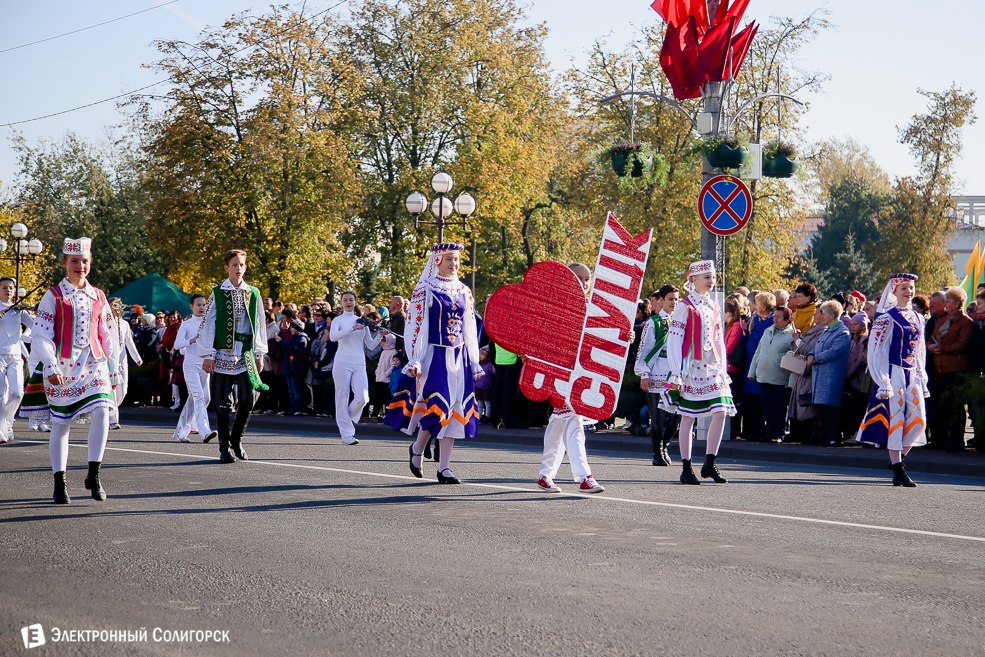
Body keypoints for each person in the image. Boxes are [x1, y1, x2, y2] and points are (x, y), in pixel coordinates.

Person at [23, 237, 120, 504]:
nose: (80, 266)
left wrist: (113, 366)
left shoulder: (98, 295)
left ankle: (94, 474)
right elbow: (41, 335)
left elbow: (107, 332)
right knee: (61, 424)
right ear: (65, 263)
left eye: (85, 261)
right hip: (62, 367)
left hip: (93, 363)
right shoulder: (53, 295)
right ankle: (59, 482)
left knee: (102, 411)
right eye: (75, 261)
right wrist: (51, 365)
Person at [385, 243, 482, 484]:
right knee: (439, 406)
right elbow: (416, 326)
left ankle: (444, 468)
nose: (454, 263)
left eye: (457, 259)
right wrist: (415, 357)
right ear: (437, 260)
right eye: (449, 258)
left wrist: (474, 359)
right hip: (434, 356)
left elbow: (469, 327)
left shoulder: (464, 290)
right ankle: (418, 448)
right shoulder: (425, 288)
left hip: (458, 357)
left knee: (456, 409)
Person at [537, 262, 605, 494]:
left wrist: (625, 336)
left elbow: (600, 340)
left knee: (559, 421)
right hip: (559, 372)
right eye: (579, 277)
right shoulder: (555, 307)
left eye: (587, 279)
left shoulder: (592, 308)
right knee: (573, 420)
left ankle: (545, 475)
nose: (584, 283)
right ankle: (585, 477)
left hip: (582, 373)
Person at [665, 260, 735, 485]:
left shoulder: (714, 305)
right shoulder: (685, 306)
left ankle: (710, 462)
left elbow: (718, 339)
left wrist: (723, 368)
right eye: (706, 277)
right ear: (693, 280)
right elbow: (674, 340)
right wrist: (676, 371)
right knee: (688, 416)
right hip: (691, 367)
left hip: (712, 366)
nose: (711, 281)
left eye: (713, 277)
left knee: (721, 411)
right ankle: (686, 467)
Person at [198, 249, 269, 463]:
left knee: (249, 398)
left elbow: (259, 324)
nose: (239, 268)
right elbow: (208, 323)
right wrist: (208, 354)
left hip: (245, 352)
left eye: (242, 265)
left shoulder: (253, 292)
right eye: (235, 264)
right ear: (226, 267)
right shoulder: (218, 292)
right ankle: (224, 447)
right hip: (223, 352)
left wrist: (259, 352)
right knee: (221, 403)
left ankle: (236, 439)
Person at [859, 274, 928, 486]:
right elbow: (877, 351)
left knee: (919, 421)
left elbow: (919, 350)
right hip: (893, 372)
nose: (909, 291)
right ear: (894, 292)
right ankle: (898, 469)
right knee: (895, 420)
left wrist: (921, 375)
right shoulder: (885, 318)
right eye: (904, 288)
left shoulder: (918, 317)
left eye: (911, 288)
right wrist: (883, 380)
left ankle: (897, 460)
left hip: (911, 373)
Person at [330, 291, 386, 444]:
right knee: (342, 396)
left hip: (359, 364)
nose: (348, 302)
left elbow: (370, 345)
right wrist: (352, 329)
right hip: (342, 362)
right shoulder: (338, 320)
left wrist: (381, 335)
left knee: (362, 398)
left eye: (351, 300)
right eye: (345, 300)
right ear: (341, 303)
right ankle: (346, 434)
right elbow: (333, 337)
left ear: (355, 302)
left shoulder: (362, 321)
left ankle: (346, 418)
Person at [636, 284, 681, 466]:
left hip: (675, 376)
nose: (674, 302)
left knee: (676, 418)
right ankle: (657, 452)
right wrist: (644, 374)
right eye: (670, 299)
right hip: (657, 374)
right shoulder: (653, 323)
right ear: (661, 301)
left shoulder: (680, 323)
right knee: (658, 418)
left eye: (677, 299)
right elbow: (644, 350)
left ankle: (665, 445)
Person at [926, 286, 973, 451]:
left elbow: (962, 343)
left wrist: (943, 348)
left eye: (948, 301)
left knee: (955, 406)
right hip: (939, 369)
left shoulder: (966, 322)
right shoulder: (941, 320)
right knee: (942, 405)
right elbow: (932, 338)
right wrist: (929, 347)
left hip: (955, 369)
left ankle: (957, 440)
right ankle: (944, 439)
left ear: (958, 303)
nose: (945, 305)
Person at [806, 301, 852, 446]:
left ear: (832, 315)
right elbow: (817, 347)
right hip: (821, 375)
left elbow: (834, 351)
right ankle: (827, 437)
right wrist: (811, 354)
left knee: (831, 409)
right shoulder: (827, 330)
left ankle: (834, 438)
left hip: (831, 377)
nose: (821, 316)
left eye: (823, 313)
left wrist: (816, 358)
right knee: (824, 408)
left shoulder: (843, 332)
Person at [172, 293, 216, 443]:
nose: (202, 307)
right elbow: (177, 345)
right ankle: (205, 431)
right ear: (191, 306)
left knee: (203, 398)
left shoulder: (209, 323)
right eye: (198, 305)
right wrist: (191, 340)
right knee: (198, 396)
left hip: (205, 365)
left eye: (204, 305)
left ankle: (180, 432)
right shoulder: (186, 324)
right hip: (190, 365)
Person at [748, 307, 795, 443]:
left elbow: (796, 356)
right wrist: (752, 372)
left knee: (779, 407)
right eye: (774, 316)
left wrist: (791, 381)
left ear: (788, 320)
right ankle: (769, 433)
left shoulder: (792, 334)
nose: (775, 319)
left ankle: (778, 433)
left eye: (779, 317)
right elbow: (759, 351)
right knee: (767, 407)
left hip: (781, 377)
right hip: (764, 376)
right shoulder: (768, 331)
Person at [0, 277, 34, 442]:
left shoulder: (18, 310)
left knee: (18, 392)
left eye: (11, 288)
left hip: (15, 356)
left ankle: (7, 420)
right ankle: (1, 431)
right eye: (5, 288)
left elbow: (35, 326)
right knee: (1, 394)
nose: (8, 291)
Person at [785, 307, 826, 443]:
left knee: (810, 406)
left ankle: (814, 434)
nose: (814, 315)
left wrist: (797, 340)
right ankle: (808, 434)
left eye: (817, 313)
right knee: (803, 405)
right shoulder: (812, 331)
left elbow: (809, 350)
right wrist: (798, 339)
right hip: (802, 374)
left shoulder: (822, 331)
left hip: (810, 374)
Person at [742, 292, 775, 442]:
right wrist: (746, 332)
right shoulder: (755, 319)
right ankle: (750, 430)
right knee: (749, 402)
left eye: (755, 303)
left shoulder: (771, 321)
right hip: (749, 362)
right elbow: (748, 338)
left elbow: (762, 339)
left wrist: (751, 330)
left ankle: (760, 431)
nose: (751, 305)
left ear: (763, 306)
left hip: (759, 363)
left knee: (758, 402)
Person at [106, 297, 143, 431]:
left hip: (122, 361)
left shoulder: (125, 324)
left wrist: (137, 358)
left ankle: (109, 409)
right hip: (109, 361)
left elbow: (129, 342)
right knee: (113, 389)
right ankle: (113, 419)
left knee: (123, 390)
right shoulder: (105, 323)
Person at [284, 319, 310, 416]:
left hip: (295, 369)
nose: (291, 329)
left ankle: (298, 408)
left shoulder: (301, 339)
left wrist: (281, 342)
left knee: (296, 390)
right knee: (291, 390)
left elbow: (291, 349)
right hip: (290, 368)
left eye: (293, 327)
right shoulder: (294, 338)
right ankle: (292, 408)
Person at [474, 345, 495, 423]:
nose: (480, 356)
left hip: (486, 387)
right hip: (478, 386)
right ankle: (479, 416)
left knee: (487, 403)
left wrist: (494, 369)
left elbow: (494, 372)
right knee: (480, 403)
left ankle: (487, 416)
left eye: (482, 355)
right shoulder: (478, 364)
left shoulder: (489, 364)